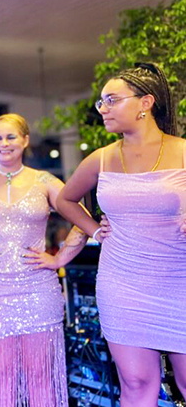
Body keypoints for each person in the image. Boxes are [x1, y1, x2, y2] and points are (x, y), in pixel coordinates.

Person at [56, 62, 186, 405]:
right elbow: (65, 200)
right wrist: (95, 231)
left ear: (145, 103)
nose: (103, 108)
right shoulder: (101, 159)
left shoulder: (183, 151)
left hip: (179, 280)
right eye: (101, 102)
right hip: (123, 284)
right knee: (137, 384)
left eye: (112, 100)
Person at [0, 113, 88, 407]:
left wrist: (59, 259)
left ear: (25, 140)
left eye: (10, 137)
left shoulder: (44, 181)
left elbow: (82, 218)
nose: (4, 143)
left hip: (39, 288)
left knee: (39, 374)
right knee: (2, 374)